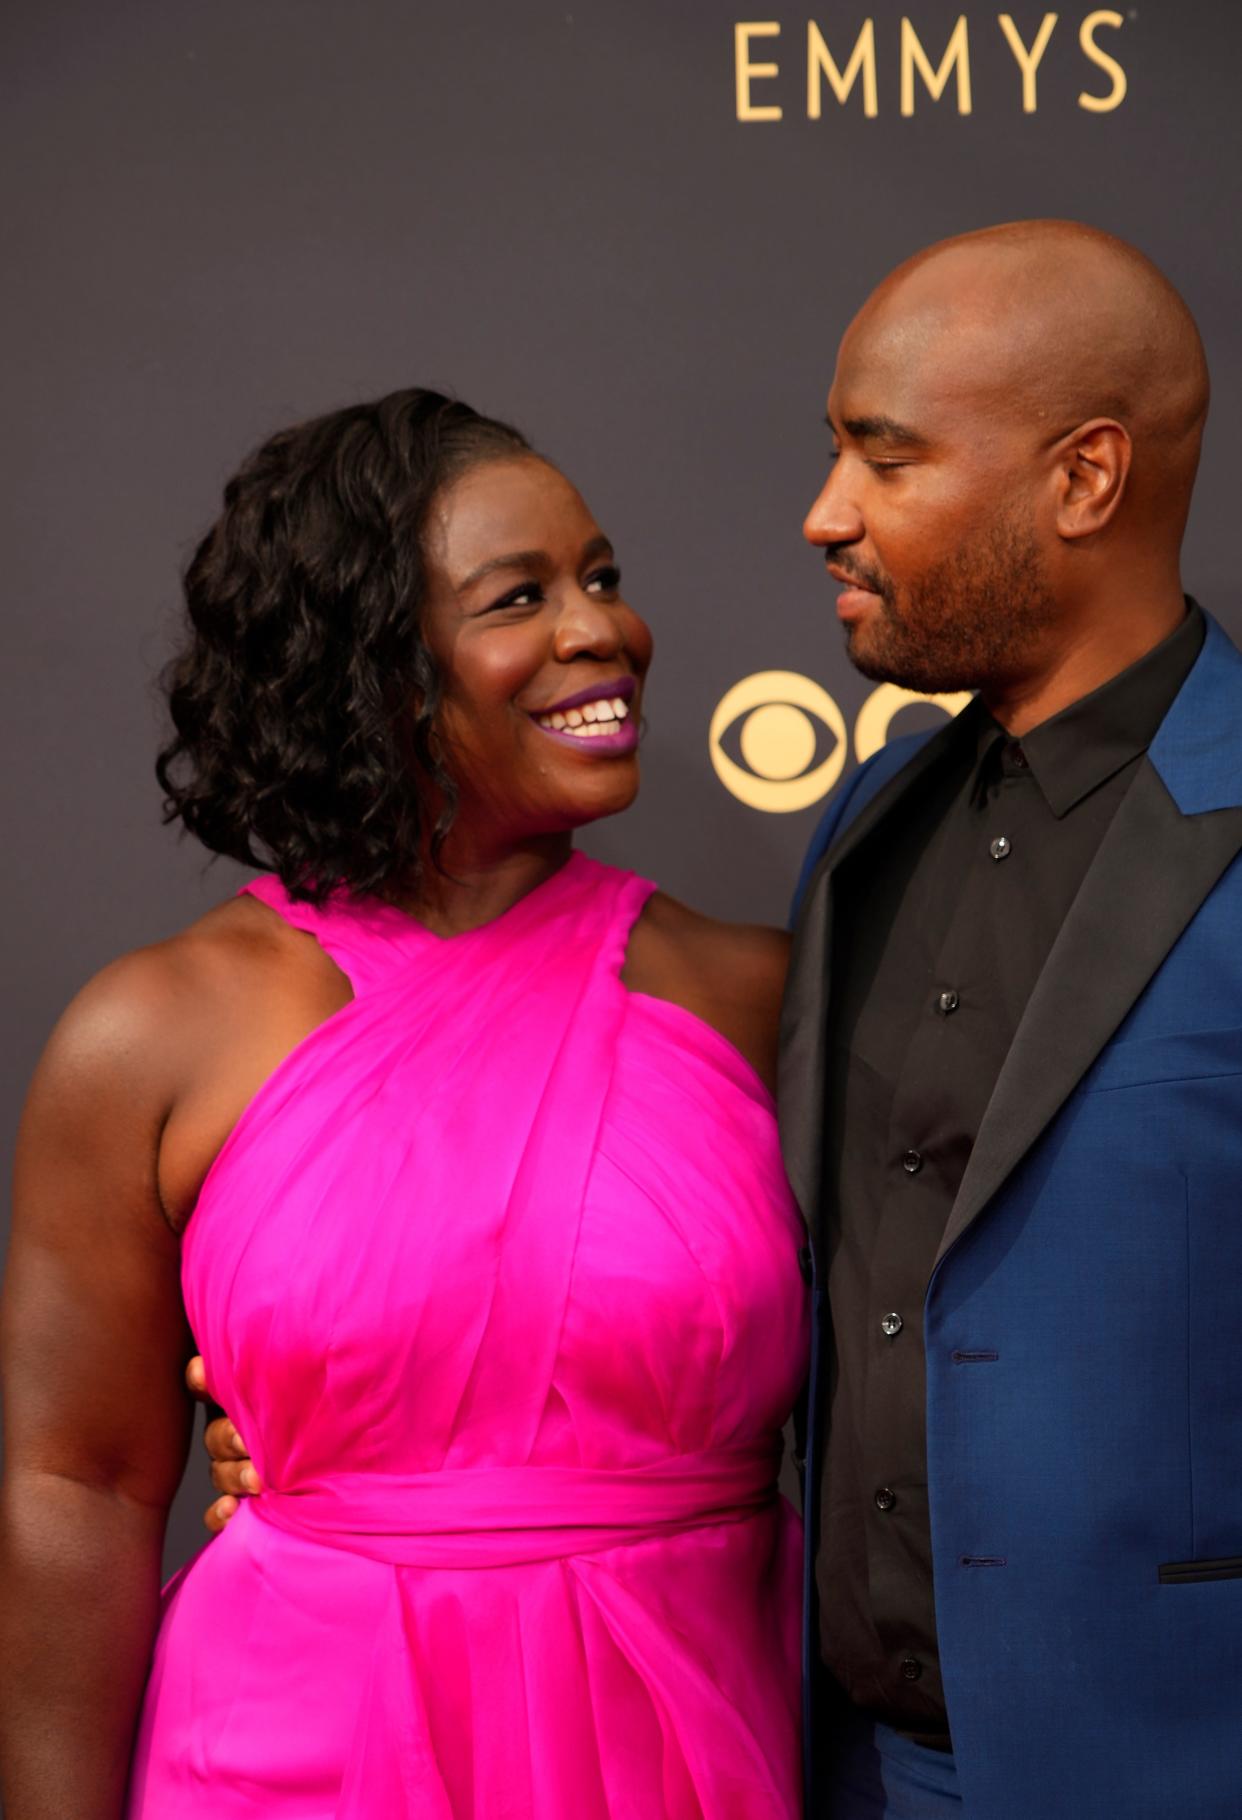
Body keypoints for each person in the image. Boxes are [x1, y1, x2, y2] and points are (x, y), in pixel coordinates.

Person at [0, 391, 808, 1817]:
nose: (602, 632)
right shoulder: (155, 1034)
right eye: (523, 597)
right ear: (368, 667)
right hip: (292, 1751)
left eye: (602, 579)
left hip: (688, 1743)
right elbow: (80, 1487)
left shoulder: (764, 998)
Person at [783, 220, 1241, 1817]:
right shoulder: (865, 827)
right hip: (845, 1766)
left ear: (1084, 479)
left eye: (884, 458)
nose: (823, 515)